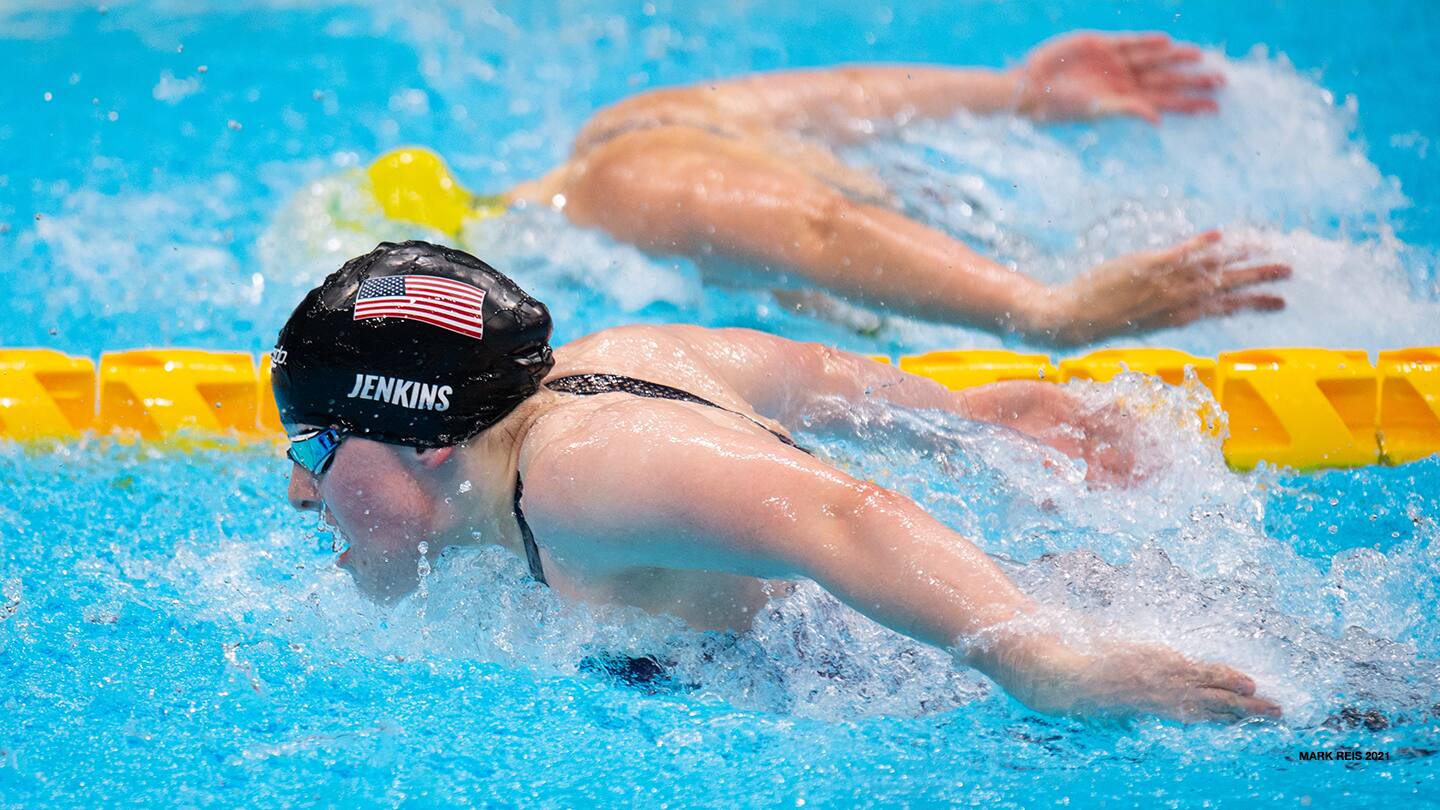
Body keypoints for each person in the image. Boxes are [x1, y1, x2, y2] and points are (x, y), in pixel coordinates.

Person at [273, 240, 1282, 724]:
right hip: (1021, 597)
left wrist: (1048, 667)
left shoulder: (580, 478)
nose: (299, 491)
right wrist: (977, 418)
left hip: (926, 663)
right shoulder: (614, 357)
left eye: (316, 449)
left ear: (428, 437)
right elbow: (805, 372)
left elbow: (843, 514)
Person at [363, 30, 1290, 344]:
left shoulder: (634, 147)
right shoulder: (628, 172)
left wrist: (1022, 94)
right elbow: (815, 226)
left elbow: (848, 106)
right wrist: (1046, 312)